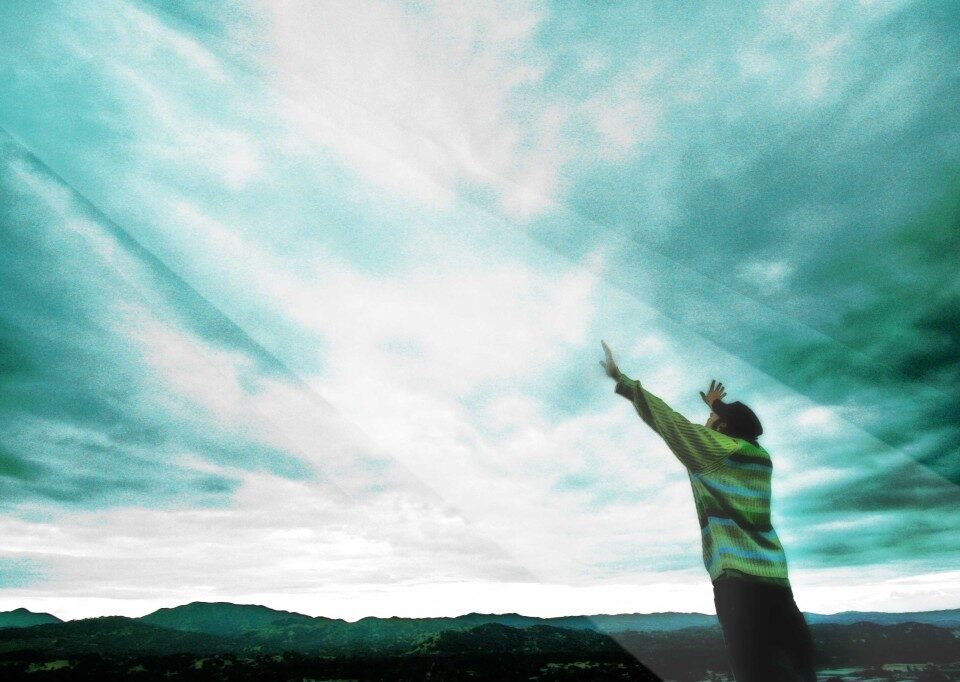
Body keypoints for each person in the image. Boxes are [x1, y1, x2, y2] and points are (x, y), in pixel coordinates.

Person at [599, 340, 815, 682]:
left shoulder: (714, 453)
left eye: (713, 419)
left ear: (724, 429)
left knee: (753, 670)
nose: (708, 421)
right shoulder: (760, 457)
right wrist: (719, 408)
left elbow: (672, 424)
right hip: (775, 576)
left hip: (737, 582)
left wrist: (623, 381)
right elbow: (711, 440)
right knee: (798, 665)